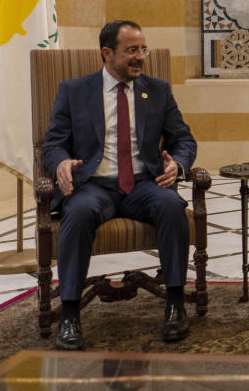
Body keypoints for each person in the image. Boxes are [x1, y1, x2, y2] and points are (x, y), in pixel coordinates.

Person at [42, 20, 197, 351]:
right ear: (107, 53)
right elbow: (53, 144)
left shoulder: (157, 90)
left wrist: (177, 165)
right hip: (94, 184)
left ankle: (174, 304)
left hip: (144, 182)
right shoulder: (74, 91)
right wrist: (60, 164)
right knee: (78, 212)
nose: (140, 56)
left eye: (143, 49)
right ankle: (69, 313)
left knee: (172, 207)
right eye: (131, 50)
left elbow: (183, 138)